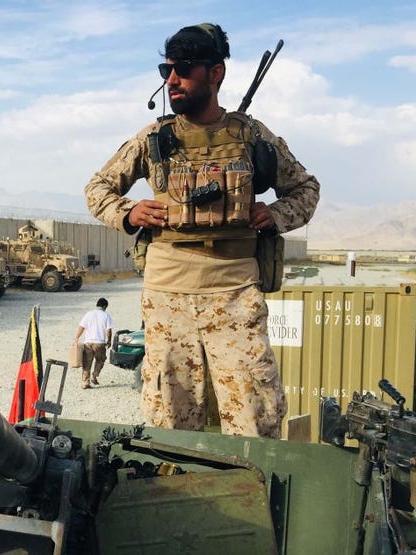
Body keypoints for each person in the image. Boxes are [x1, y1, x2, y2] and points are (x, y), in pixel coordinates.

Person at [84, 23, 319, 438]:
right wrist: (129, 211)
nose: (172, 80)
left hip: (235, 292)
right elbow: (97, 188)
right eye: (167, 70)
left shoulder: (250, 135)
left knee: (254, 413)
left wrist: (276, 215)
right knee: (170, 416)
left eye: (184, 69)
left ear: (215, 74)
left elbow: (305, 188)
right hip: (167, 293)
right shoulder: (156, 137)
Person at [74, 298, 114, 389]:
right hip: (99, 343)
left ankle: (85, 383)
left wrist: (77, 337)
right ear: (104, 306)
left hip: (88, 342)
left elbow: (81, 327)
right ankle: (94, 376)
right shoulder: (106, 315)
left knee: (87, 363)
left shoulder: (89, 314)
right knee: (100, 360)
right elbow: (109, 330)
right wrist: (109, 340)